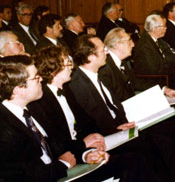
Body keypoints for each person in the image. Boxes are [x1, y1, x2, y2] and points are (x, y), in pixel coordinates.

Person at [68, 34, 175, 181]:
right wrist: (116, 128)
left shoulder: (94, 75)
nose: (107, 53)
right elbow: (90, 120)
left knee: (167, 130)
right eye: (103, 50)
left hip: (118, 125)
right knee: (156, 144)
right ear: (90, 57)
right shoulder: (79, 83)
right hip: (106, 135)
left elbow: (111, 105)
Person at [28, 46, 159, 182]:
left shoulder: (65, 88)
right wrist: (85, 147)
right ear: (54, 71)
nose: (72, 67)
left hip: (82, 148)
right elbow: (56, 143)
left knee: (143, 143)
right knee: (134, 159)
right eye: (67, 63)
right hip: (70, 157)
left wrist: (108, 132)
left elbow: (86, 122)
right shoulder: (42, 101)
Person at [0, 55, 108, 181]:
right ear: (18, 90)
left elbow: (57, 146)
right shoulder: (3, 126)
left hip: (63, 173)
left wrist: (86, 155)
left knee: (130, 161)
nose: (41, 79)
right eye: (36, 77)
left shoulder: (34, 108)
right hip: (53, 176)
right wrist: (62, 165)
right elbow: (21, 176)